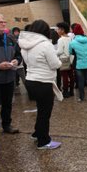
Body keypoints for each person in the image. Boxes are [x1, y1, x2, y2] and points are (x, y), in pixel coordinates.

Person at [18, 20, 62, 150]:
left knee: (41, 109)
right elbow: (55, 64)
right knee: (45, 113)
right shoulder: (45, 45)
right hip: (43, 82)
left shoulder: (25, 44)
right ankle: (43, 141)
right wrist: (59, 61)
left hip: (30, 80)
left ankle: (37, 133)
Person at [68, 23, 87, 101]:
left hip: (79, 64)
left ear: (74, 32)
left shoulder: (73, 42)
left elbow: (70, 52)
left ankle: (81, 97)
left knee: (80, 81)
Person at [56, 22, 74, 98]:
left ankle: (65, 92)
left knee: (65, 77)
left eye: (58, 29)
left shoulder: (60, 40)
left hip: (63, 59)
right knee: (71, 75)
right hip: (71, 58)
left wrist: (54, 52)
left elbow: (59, 51)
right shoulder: (70, 38)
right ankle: (71, 91)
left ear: (62, 30)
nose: (57, 30)